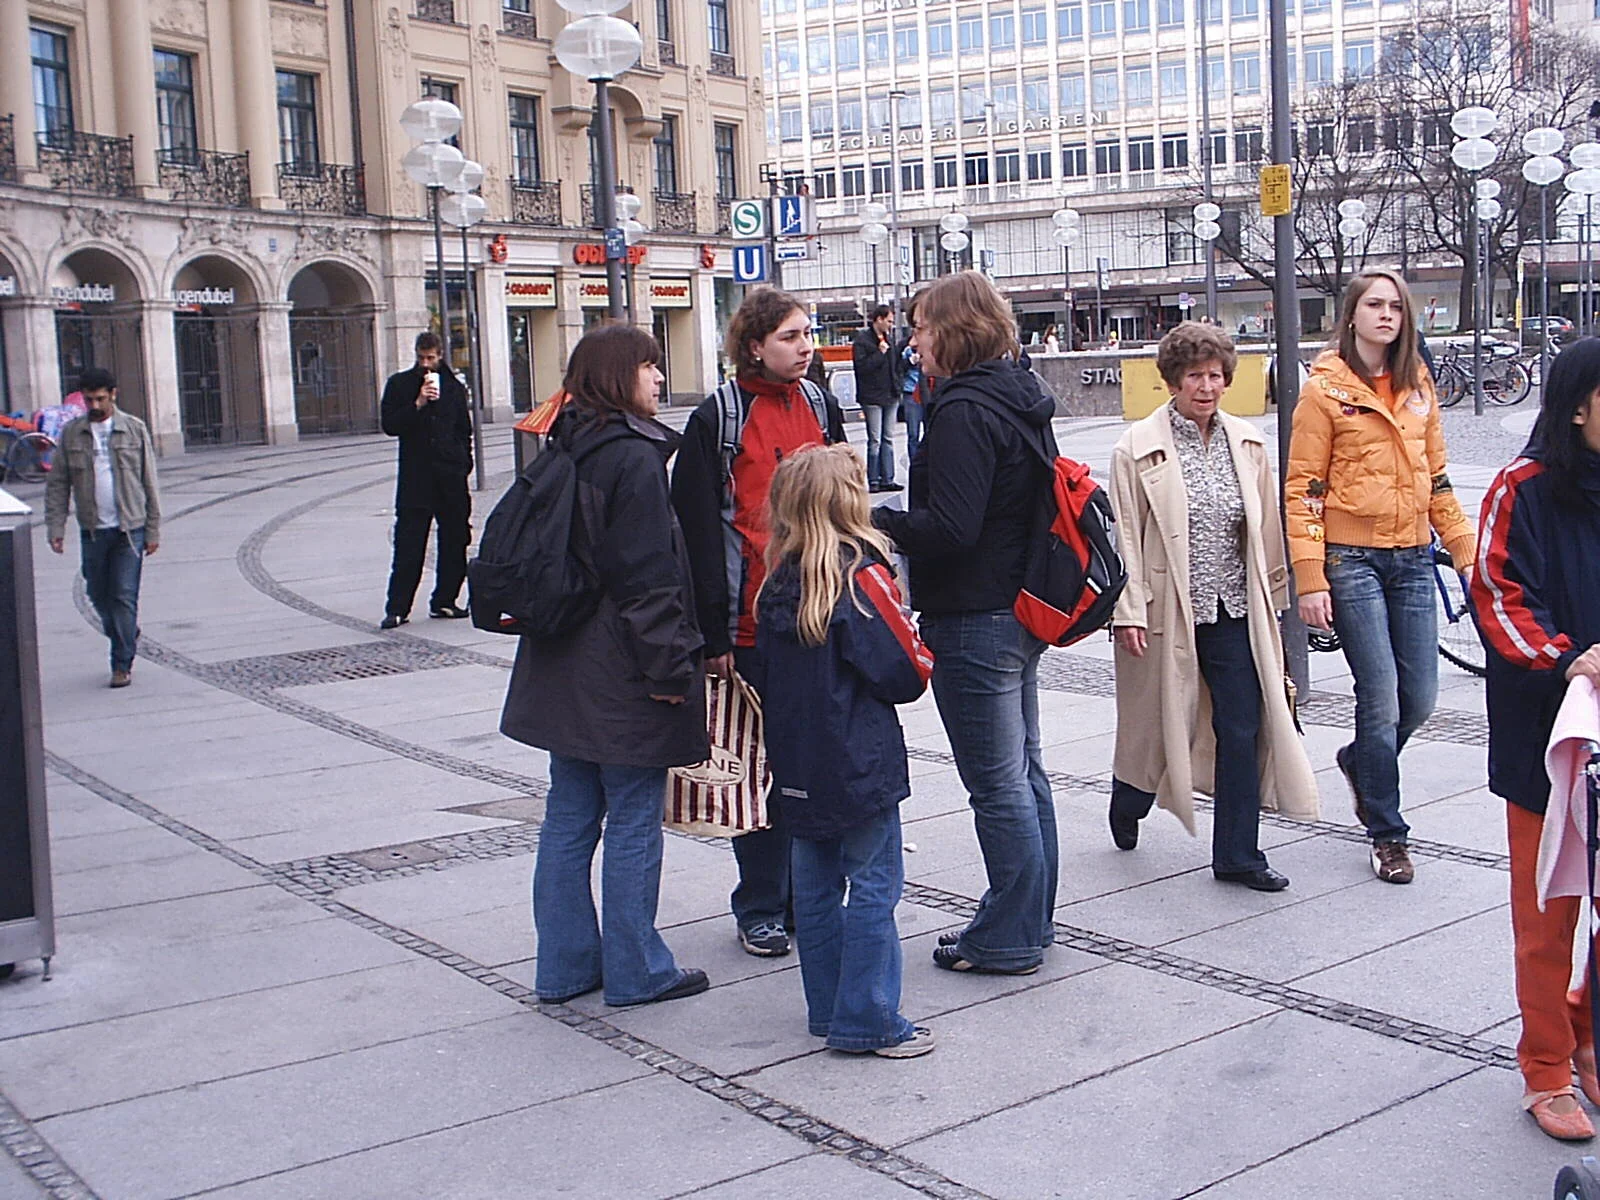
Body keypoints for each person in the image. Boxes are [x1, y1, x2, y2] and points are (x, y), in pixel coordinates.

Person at [499, 324, 710, 1008]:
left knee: (569, 815)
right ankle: (636, 968)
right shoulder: (632, 457)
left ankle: (563, 968)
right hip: (620, 670)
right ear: (621, 376)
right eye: (649, 367)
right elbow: (648, 582)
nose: (658, 378)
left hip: (562, 663)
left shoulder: (566, 445)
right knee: (632, 813)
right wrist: (673, 673)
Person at [872, 271, 1057, 976]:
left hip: (975, 617)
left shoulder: (961, 411)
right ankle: (1030, 920)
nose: (913, 340)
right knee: (1025, 772)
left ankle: (1008, 935)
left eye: (920, 327)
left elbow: (951, 526)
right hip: (1017, 609)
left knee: (998, 784)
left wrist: (876, 518)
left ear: (952, 329)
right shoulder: (1019, 396)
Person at [1106, 323, 1319, 886]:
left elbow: (1266, 525)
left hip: (1233, 607)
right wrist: (1127, 610)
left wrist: (1275, 600)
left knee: (1242, 725)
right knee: (1155, 727)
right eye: (1195, 375)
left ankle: (1238, 855)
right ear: (1173, 380)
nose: (1206, 386)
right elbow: (1124, 533)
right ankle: (1128, 798)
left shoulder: (1246, 442)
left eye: (1216, 375)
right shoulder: (1137, 447)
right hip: (1165, 607)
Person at [1285, 268, 1477, 884]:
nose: (1386, 315)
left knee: (1420, 696)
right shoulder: (1325, 391)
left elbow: (1438, 478)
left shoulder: (1419, 384)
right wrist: (1310, 576)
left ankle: (1360, 764)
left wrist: (1468, 551)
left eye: (1395, 305)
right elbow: (1305, 487)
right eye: (1374, 304)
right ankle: (1388, 833)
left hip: (1414, 557)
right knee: (1382, 694)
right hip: (1352, 558)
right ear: (1352, 314)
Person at [671, 286, 847, 958]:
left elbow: (844, 503)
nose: (805, 348)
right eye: (790, 338)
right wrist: (711, 634)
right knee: (757, 769)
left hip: (820, 616)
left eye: (808, 335)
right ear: (754, 345)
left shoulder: (820, 404)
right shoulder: (719, 417)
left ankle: (811, 895)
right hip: (747, 624)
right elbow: (691, 530)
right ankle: (761, 904)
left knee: (815, 760)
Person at [757, 445, 936, 1058]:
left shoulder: (779, 580)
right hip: (859, 762)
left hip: (798, 763)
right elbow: (904, 673)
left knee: (813, 888)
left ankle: (827, 1007)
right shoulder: (859, 575)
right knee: (873, 884)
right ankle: (869, 1016)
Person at [1472, 338, 1600, 1141]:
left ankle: (1586, 1031)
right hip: (1549, 735)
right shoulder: (1523, 487)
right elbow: (1495, 589)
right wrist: (1567, 660)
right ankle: (1547, 1066)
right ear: (1581, 404)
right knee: (1550, 913)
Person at [44, 367, 161, 689]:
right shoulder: (72, 433)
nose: (94, 405)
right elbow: (58, 483)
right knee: (97, 593)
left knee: (123, 596)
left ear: (113, 394)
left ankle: (121, 662)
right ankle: (126, 632)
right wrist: (55, 525)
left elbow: (150, 482)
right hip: (93, 529)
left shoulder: (133, 429)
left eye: (100, 398)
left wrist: (153, 529)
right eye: (88, 399)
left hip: (130, 528)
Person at [379, 331, 473, 629]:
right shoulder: (400, 384)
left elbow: (463, 430)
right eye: (421, 358)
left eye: (431, 358)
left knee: (456, 538)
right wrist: (418, 403)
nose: (426, 364)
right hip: (416, 476)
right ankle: (397, 607)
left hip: (450, 476)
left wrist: (463, 463)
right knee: (409, 542)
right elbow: (390, 425)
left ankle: (445, 600)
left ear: (440, 355)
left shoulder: (455, 388)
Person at [852, 304, 902, 493]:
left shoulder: (889, 339)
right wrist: (879, 353)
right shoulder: (863, 341)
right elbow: (862, 368)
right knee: (875, 439)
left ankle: (888, 478)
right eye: (888, 321)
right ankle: (874, 480)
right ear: (879, 319)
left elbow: (895, 364)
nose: (890, 324)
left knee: (888, 437)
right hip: (872, 396)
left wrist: (898, 384)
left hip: (890, 394)